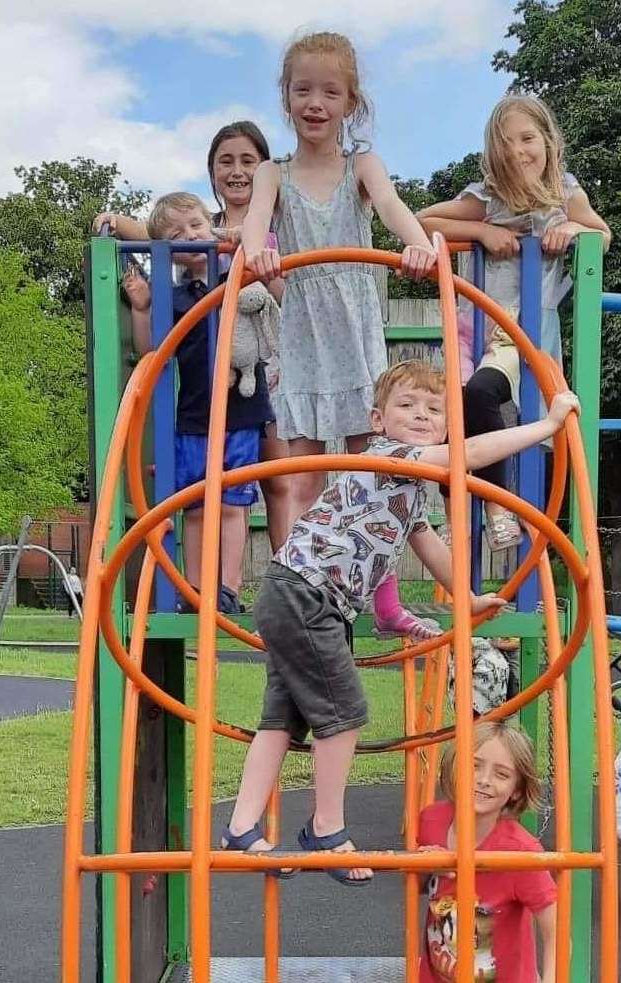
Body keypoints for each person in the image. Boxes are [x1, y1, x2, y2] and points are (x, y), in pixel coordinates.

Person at [221, 360, 579, 885]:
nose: (420, 415)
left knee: (283, 718)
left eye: (434, 410)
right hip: (305, 593)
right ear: (378, 419)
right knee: (344, 709)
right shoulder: (390, 457)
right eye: (407, 406)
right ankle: (326, 828)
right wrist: (547, 427)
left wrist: (469, 598)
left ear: (445, 424)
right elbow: (471, 456)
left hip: (304, 595)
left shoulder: (413, 490)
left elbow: (432, 547)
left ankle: (242, 827)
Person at [241, 30, 442, 642]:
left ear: (350, 101)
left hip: (354, 334)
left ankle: (381, 605)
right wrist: (259, 255)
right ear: (286, 97)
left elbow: (389, 206)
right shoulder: (273, 174)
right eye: (303, 90)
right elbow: (253, 227)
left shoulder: (363, 165)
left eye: (330, 91)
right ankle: (297, 593)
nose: (316, 102)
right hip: (304, 336)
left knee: (371, 470)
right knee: (301, 474)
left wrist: (416, 243)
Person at [418, 95, 610, 551]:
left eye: (528, 139)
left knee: (483, 394)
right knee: (454, 411)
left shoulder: (563, 194)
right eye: (506, 143)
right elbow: (424, 220)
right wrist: (482, 232)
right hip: (473, 326)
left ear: (548, 141)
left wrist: (574, 231)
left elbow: (602, 235)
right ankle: (460, 514)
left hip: (520, 333)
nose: (518, 151)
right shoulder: (486, 198)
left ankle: (498, 507)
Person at [93, 121, 295, 555]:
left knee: (279, 476)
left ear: (265, 170)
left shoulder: (272, 224)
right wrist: (116, 220)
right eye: (226, 161)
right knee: (215, 488)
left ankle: (288, 576)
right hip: (213, 373)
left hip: (269, 361)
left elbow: (286, 291)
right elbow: (160, 235)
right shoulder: (208, 228)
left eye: (248, 161)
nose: (237, 171)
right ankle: (220, 586)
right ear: (212, 173)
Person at [122, 191, 274, 614]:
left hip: (242, 412)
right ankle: (195, 589)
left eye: (197, 226)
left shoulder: (240, 275)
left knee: (233, 501)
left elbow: (258, 241)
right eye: (176, 234)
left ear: (213, 226)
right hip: (193, 416)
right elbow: (152, 349)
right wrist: (141, 308)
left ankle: (227, 586)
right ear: (168, 252)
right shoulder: (174, 296)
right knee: (193, 505)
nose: (190, 236)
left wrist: (228, 237)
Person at [417, 720, 557, 982]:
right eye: (474, 765)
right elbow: (417, 885)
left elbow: (558, 934)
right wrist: (424, 867)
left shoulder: (520, 854)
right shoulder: (431, 822)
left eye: (501, 774)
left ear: (516, 792)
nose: (483, 780)